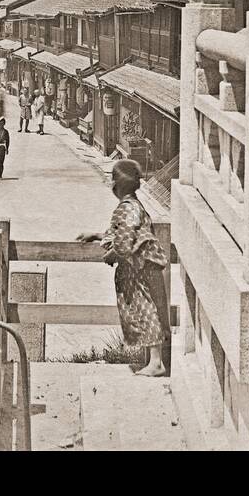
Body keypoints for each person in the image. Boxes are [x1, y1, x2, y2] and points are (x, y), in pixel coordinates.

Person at [77, 159, 170, 377]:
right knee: (145, 308)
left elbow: (125, 241)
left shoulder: (125, 209)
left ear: (115, 185)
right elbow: (126, 232)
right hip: (142, 266)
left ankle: (156, 362)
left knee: (146, 308)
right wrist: (98, 235)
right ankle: (153, 361)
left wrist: (113, 253)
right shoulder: (134, 206)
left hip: (137, 269)